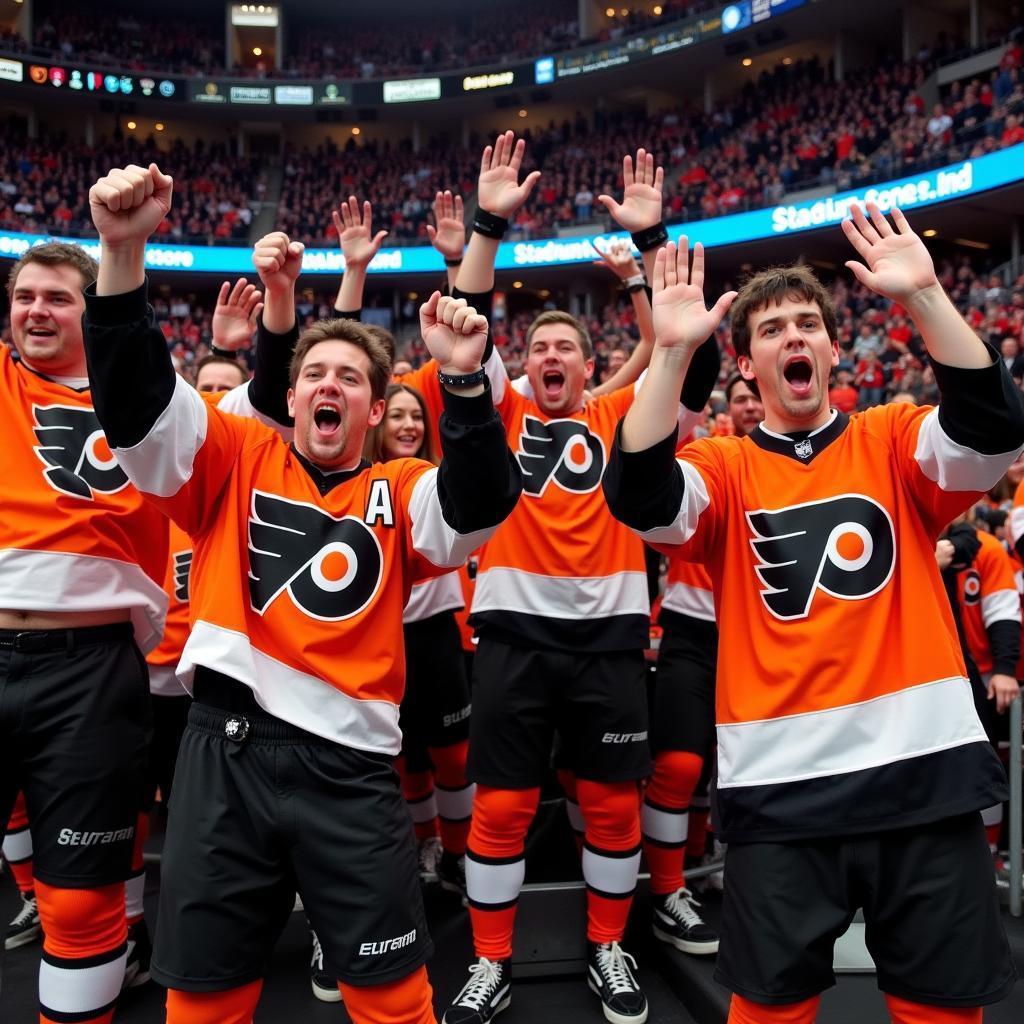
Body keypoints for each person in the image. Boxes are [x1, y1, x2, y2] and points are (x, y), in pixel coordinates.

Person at [83, 161, 521, 1024]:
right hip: (224, 750)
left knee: (394, 1000)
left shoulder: (402, 487)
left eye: (351, 379)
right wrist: (122, 254)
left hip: (354, 768)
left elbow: (479, 505)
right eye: (315, 373)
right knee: (203, 1002)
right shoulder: (237, 457)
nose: (330, 384)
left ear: (371, 410)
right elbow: (136, 409)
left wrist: (465, 381)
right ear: (290, 398)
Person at [603, 204, 1021, 1024]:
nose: (794, 337)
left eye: (807, 324)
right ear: (750, 366)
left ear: (832, 350)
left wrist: (928, 296)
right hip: (782, 792)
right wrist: (671, 355)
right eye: (771, 329)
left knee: (941, 1011)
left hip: (923, 781)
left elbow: (994, 430)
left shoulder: (892, 437)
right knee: (767, 1013)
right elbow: (640, 498)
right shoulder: (721, 467)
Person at [442, 137, 718, 1024]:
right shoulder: (507, 405)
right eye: (538, 347)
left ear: (589, 363)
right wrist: (486, 226)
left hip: (606, 639)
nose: (551, 356)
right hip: (513, 636)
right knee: (504, 806)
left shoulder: (615, 412)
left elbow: (680, 359)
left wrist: (650, 248)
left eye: (566, 345)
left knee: (608, 803)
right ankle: (490, 962)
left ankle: (609, 947)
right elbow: (469, 312)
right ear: (521, 364)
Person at [0, 238, 169, 1024]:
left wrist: (123, 245)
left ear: (91, 311)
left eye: (58, 297)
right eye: (25, 295)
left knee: (80, 904)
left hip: (94, 668)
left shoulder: (148, 404)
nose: (37, 309)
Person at [641, 370, 765, 957]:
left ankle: (715, 864)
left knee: (739, 767)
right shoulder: (706, 457)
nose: (749, 406)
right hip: (691, 628)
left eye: (755, 399)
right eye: (740, 399)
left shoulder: (797, 462)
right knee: (681, 764)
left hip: (760, 631)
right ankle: (670, 888)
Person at [366, 383, 476, 902]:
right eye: (398, 416)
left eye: (417, 416)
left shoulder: (442, 478)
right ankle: (422, 842)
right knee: (398, 758)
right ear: (376, 421)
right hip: (376, 637)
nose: (408, 425)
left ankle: (457, 852)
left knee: (452, 756)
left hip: (435, 635)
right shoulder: (360, 482)